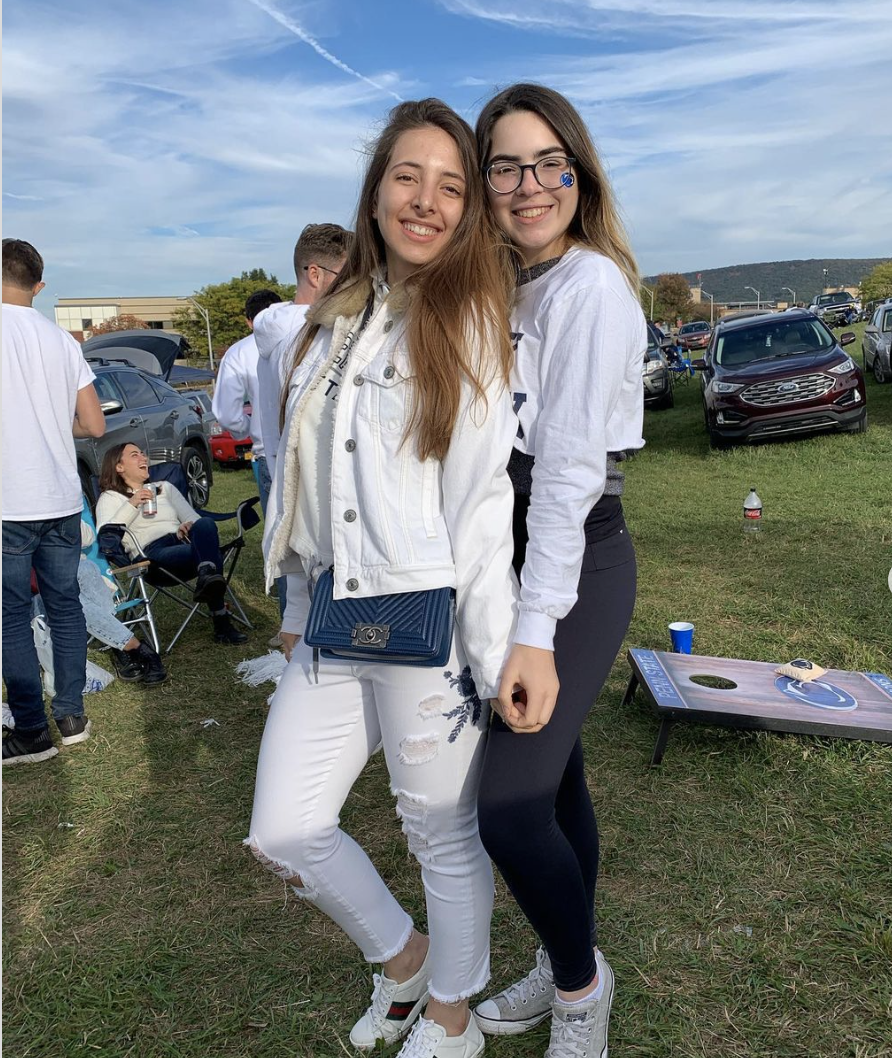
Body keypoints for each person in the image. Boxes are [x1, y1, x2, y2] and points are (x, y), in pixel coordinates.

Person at [246, 99, 517, 1058]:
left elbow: (483, 503)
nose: (428, 201)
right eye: (409, 176)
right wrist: (291, 605)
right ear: (374, 192)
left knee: (437, 831)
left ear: (468, 212)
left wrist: (495, 654)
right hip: (329, 608)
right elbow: (296, 483)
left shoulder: (474, 320)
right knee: (282, 829)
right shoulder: (320, 325)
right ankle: (405, 964)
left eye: (452, 185)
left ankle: (455, 1013)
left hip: (425, 612)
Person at [471, 84, 646, 1058]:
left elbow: (572, 472)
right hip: (509, 555)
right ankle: (564, 946)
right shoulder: (502, 285)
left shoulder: (591, 289)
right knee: (557, 775)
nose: (528, 183)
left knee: (506, 803)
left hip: (574, 556)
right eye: (506, 164)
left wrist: (533, 628)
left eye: (548, 162)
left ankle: (580, 984)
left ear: (577, 173)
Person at [2, 238, 106, 766]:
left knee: (11, 615)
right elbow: (93, 425)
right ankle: (70, 713)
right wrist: (46, 425)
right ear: (39, 286)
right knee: (65, 605)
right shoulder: (61, 340)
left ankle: (30, 730)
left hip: (8, 503)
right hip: (61, 497)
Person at [253, 223, 352, 639]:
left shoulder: (271, 332)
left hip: (279, 464)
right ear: (316, 275)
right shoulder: (311, 331)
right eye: (350, 276)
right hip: (316, 474)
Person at [95, 443, 247, 645]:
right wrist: (133, 503)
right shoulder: (110, 498)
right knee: (209, 558)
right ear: (119, 467)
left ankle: (207, 575)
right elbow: (106, 534)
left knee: (205, 525)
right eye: (134, 455)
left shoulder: (164, 488)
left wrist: (186, 526)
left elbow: (193, 518)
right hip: (153, 554)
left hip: (183, 541)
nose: (143, 458)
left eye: (142, 453)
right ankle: (221, 621)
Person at [211, 288, 283, 515]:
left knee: (278, 534)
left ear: (249, 322)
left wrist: (248, 427)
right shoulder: (311, 336)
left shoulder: (239, 352)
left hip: (269, 450)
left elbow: (227, 414)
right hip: (312, 445)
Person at [77, 521, 167, 685]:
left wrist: (66, 517)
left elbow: (87, 538)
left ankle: (120, 646)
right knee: (71, 596)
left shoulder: (59, 506)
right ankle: (134, 647)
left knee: (87, 568)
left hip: (78, 571)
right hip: (44, 579)